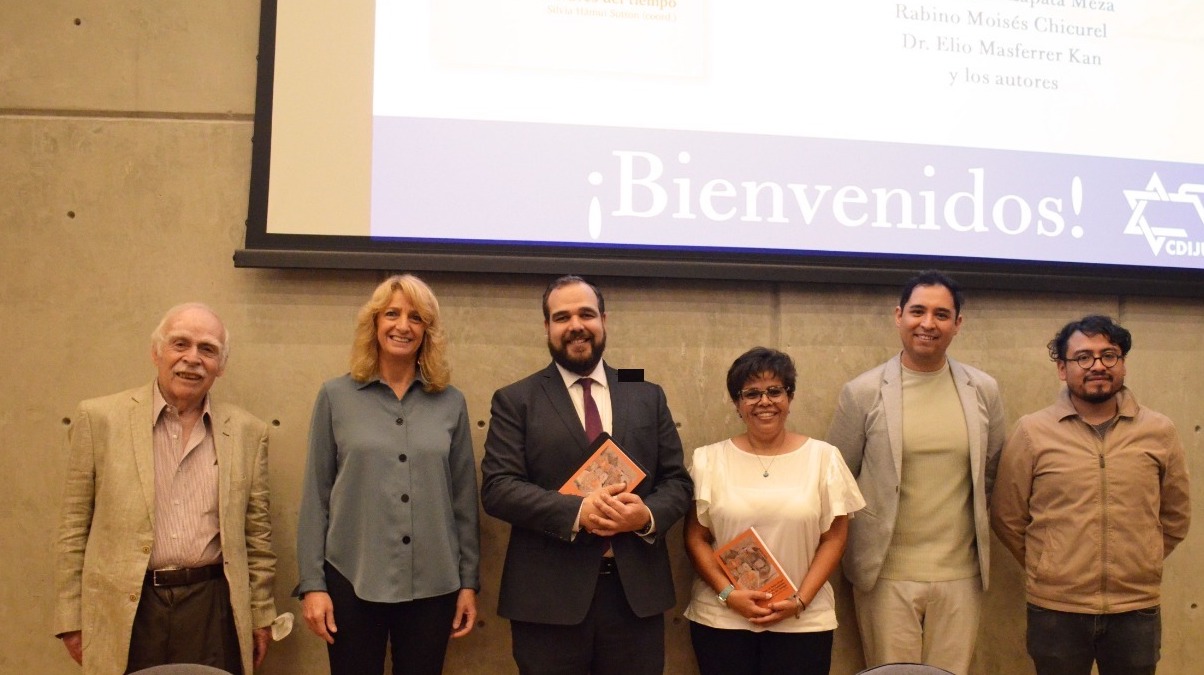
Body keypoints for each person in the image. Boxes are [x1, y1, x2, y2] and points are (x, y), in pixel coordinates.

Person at [480, 274, 693, 675]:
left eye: (586, 314)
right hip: (547, 604)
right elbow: (498, 488)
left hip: (635, 600)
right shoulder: (516, 398)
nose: (575, 325)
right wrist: (578, 512)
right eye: (562, 317)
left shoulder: (645, 390)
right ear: (547, 327)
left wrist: (645, 516)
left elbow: (677, 483)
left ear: (603, 320)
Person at [54, 302, 277, 674]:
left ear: (221, 366)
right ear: (156, 352)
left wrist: (261, 615)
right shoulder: (99, 420)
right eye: (180, 344)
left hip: (212, 606)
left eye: (207, 349)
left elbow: (258, 537)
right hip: (128, 608)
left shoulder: (247, 432)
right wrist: (70, 617)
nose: (192, 359)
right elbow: (73, 527)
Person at [296, 274, 480, 675]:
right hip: (352, 577)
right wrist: (313, 585)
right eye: (392, 314)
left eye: (416, 317)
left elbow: (464, 501)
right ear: (374, 324)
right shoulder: (335, 397)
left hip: (435, 584)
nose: (403, 325)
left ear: (427, 331)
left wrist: (468, 583)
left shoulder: (451, 403)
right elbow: (316, 496)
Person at [826, 270, 1005, 675]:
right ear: (898, 316)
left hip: (962, 575)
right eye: (918, 311)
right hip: (886, 576)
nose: (928, 324)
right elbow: (837, 481)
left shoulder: (984, 390)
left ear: (958, 324)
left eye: (942, 314)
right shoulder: (864, 392)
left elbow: (991, 472)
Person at [991, 314, 1191, 675]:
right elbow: (1007, 517)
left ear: (1123, 364)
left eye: (1108, 355)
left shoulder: (1159, 431)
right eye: (1083, 357)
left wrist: (1141, 557)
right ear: (1063, 369)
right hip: (1056, 610)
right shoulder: (1032, 433)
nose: (1097, 365)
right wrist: (1048, 564)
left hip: (1136, 608)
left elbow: (1176, 515)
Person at [684, 347, 864, 675]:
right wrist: (728, 594)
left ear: (790, 397)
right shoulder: (707, 460)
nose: (764, 401)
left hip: (803, 621)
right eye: (751, 393)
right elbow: (695, 538)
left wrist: (799, 601)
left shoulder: (824, 458)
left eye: (774, 391)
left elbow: (835, 538)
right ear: (737, 404)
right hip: (723, 620)